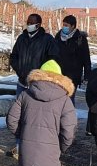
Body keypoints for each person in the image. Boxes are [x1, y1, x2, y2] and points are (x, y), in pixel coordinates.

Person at [8, 13, 59, 156]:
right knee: (19, 115)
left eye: (32, 22)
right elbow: (14, 56)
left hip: (38, 83)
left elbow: (53, 60)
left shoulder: (47, 40)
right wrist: (19, 69)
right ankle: (19, 146)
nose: (28, 24)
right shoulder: (22, 38)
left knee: (36, 116)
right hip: (22, 82)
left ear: (38, 24)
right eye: (28, 21)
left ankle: (35, 147)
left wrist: (41, 74)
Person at [55, 14, 91, 101]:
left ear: (73, 26)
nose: (64, 27)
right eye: (63, 25)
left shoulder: (80, 39)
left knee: (69, 100)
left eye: (66, 25)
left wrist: (87, 76)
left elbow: (86, 58)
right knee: (57, 99)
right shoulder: (58, 37)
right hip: (59, 74)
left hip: (73, 76)